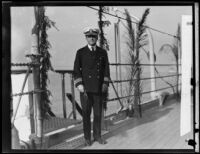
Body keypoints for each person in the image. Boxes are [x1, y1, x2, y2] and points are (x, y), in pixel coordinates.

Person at [73, 27, 110, 146]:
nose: (92, 38)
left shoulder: (102, 52)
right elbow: (76, 70)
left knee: (98, 114)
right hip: (85, 89)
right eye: (89, 36)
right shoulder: (81, 52)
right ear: (86, 38)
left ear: (97, 37)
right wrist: (79, 84)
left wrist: (105, 83)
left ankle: (98, 136)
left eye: (94, 36)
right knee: (86, 114)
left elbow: (106, 69)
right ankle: (87, 137)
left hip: (98, 88)